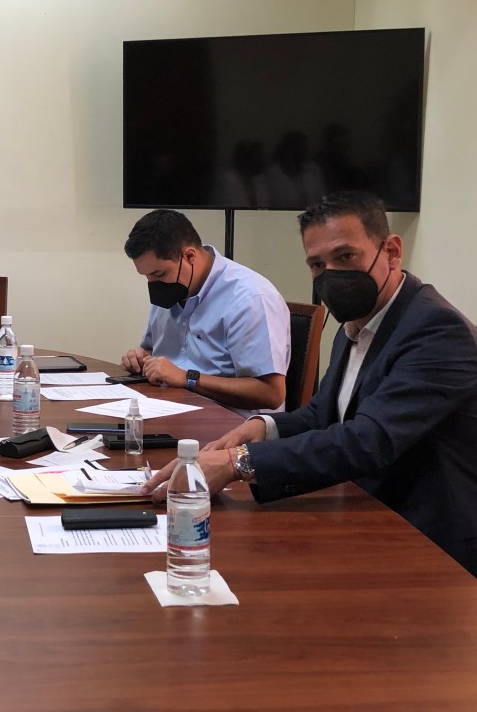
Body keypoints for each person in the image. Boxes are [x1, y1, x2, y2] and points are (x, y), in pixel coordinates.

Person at [143, 192, 477, 576]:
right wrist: (262, 427)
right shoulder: (358, 322)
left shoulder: (437, 330)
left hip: (427, 542)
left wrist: (239, 463)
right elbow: (324, 413)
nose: (330, 274)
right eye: (317, 264)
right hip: (360, 512)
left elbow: (368, 439)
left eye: (345, 256)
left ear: (392, 251)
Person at [121, 209, 290, 415]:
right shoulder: (169, 290)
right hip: (170, 409)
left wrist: (187, 378)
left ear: (189, 256)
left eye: (159, 274)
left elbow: (271, 394)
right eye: (146, 276)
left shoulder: (251, 298)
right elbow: (153, 352)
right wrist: (141, 359)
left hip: (231, 422)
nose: (153, 283)